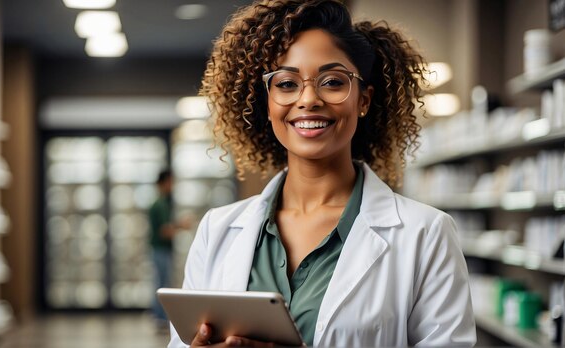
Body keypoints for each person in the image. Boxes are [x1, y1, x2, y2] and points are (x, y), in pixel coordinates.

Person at [170, 0, 476, 346]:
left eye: (332, 81)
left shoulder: (426, 234)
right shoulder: (217, 229)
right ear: (266, 102)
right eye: (286, 84)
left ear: (363, 100)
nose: (308, 99)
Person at [149, 170, 177, 329]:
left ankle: (159, 315)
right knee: (162, 284)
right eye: (170, 182)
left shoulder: (160, 203)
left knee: (160, 281)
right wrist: (181, 226)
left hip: (159, 249)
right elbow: (164, 231)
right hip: (161, 250)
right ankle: (160, 317)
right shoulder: (160, 205)